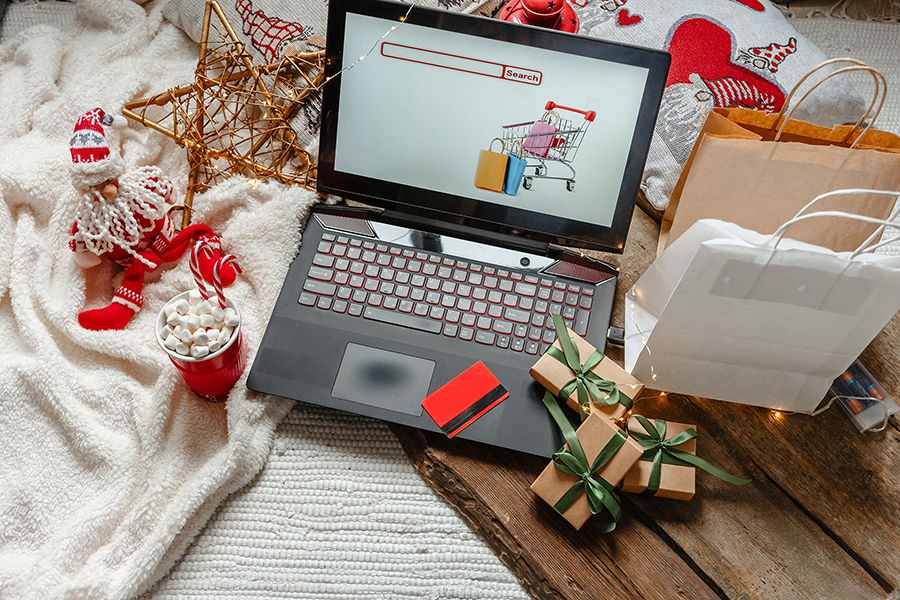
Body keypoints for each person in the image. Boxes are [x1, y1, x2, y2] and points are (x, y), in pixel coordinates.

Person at [69, 107, 234, 330]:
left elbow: (163, 189)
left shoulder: (139, 186)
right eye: (96, 186)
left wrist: (167, 192)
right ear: (84, 189)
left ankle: (209, 261)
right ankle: (120, 311)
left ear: (116, 172)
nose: (108, 190)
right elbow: (84, 249)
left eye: (108, 180)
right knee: (130, 280)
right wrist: (85, 254)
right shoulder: (89, 219)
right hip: (136, 263)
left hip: (167, 241)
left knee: (199, 231)